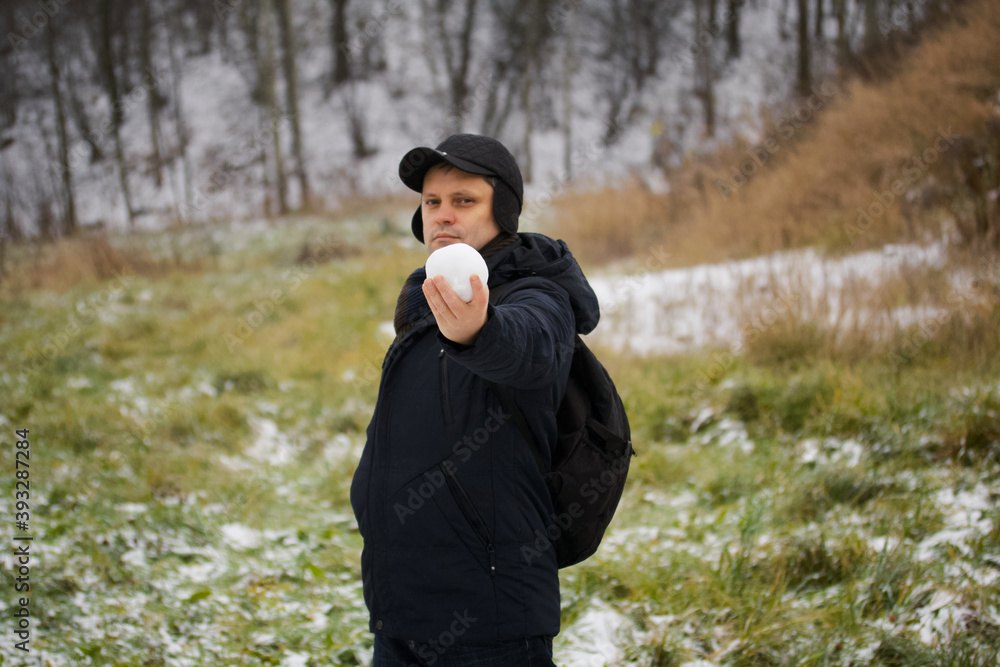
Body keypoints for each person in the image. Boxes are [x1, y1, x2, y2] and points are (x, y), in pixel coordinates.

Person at [350, 133, 600, 667]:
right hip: (401, 612)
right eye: (432, 202)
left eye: (464, 200)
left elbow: (528, 348)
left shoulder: (539, 294)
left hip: (492, 619)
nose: (442, 215)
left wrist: (480, 331)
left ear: (501, 211)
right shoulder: (425, 302)